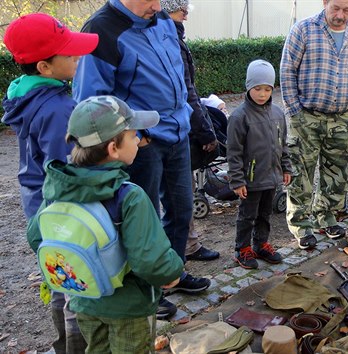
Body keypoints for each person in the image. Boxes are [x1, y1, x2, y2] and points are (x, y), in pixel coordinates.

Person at [73, 0, 211, 320]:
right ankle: (146, 288)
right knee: (141, 223)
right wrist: (133, 136)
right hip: (140, 145)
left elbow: (180, 76)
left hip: (178, 136)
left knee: (182, 209)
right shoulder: (100, 31)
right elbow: (91, 105)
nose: (158, 5)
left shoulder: (161, 20)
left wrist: (191, 119)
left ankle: (171, 275)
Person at [27, 96, 184, 353]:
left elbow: (36, 237)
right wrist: (172, 272)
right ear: (113, 148)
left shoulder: (58, 189)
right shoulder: (129, 196)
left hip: (85, 300)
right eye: (134, 135)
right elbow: (149, 259)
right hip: (129, 306)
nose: (139, 140)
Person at [1, 13, 98, 353]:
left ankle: (63, 345)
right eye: (69, 54)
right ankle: (78, 346)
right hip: (61, 207)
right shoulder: (58, 108)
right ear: (44, 66)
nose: (77, 57)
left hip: (36, 200)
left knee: (59, 276)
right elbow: (67, 169)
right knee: (78, 285)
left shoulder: (24, 96)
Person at [280, 0, 348, 249]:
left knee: (338, 175)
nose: (340, 15)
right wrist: (295, 111)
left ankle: (326, 215)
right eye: (335, 8)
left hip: (344, 119)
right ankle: (301, 224)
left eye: (346, 9)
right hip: (307, 117)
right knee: (301, 174)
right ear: (325, 3)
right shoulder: (303, 29)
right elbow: (287, 70)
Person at [162, 0, 221, 262]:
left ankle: (188, 247)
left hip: (173, 126)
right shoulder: (169, 39)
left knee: (177, 195)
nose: (185, 12)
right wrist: (206, 132)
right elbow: (186, 91)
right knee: (177, 196)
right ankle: (180, 256)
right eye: (179, 7)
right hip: (171, 130)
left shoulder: (171, 36)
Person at [227, 60, 292, 269]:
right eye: (257, 89)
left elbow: (283, 143)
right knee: (247, 215)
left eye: (267, 89)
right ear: (248, 86)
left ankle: (261, 243)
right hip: (251, 179)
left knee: (265, 214)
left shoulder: (278, 114)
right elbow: (234, 152)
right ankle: (242, 249)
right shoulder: (239, 117)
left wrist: (286, 167)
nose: (262, 94)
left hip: (271, 177)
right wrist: (237, 180)